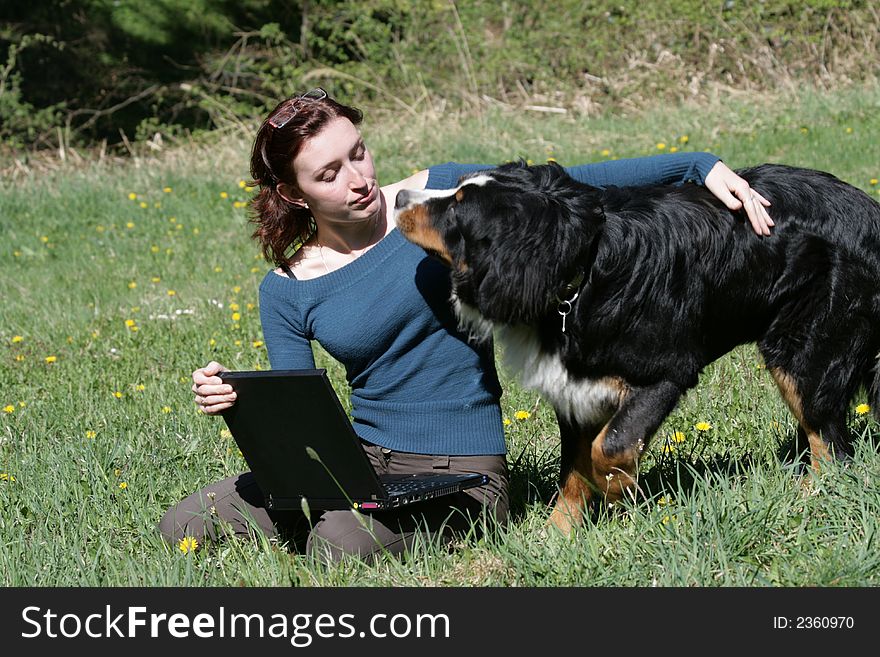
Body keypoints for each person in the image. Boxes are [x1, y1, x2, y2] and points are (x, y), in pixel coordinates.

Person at [158, 88, 773, 563]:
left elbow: (570, 181)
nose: (359, 178)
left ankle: (348, 522)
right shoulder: (287, 287)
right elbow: (300, 412)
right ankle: (334, 511)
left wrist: (697, 165)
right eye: (329, 174)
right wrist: (239, 397)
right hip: (362, 458)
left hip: (460, 469)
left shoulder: (441, 199)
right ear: (295, 195)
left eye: (359, 153)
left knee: (337, 546)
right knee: (185, 523)